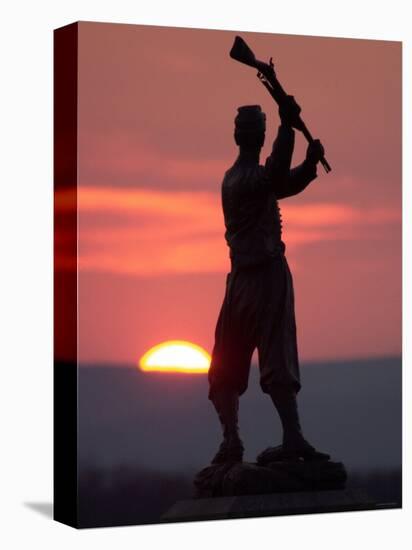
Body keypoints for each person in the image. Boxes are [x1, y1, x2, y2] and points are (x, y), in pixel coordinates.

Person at [208, 96, 329, 464]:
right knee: (249, 360)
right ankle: (244, 440)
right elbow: (275, 176)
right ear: (258, 138)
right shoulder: (242, 180)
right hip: (258, 278)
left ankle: (254, 439)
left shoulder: (239, 178)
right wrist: (287, 125)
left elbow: (278, 184)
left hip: (250, 279)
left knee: (243, 361)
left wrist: (308, 165)